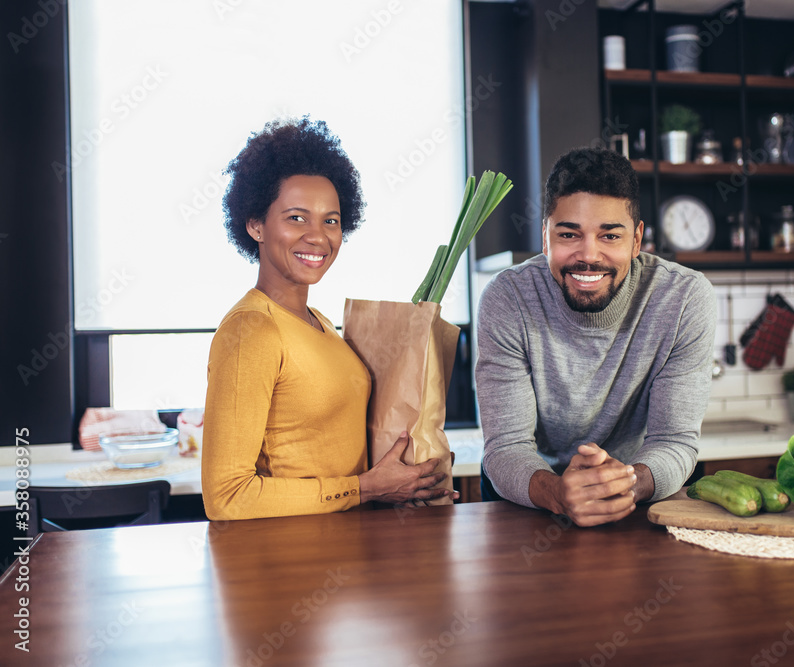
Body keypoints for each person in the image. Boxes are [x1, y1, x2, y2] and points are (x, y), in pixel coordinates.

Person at [202, 117, 455, 521]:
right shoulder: (250, 330)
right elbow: (226, 498)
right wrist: (367, 487)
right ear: (255, 225)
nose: (318, 236)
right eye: (296, 218)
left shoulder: (316, 321)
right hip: (289, 564)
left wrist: (396, 481)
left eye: (331, 220)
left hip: (343, 553)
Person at [475, 147, 716, 527]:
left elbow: (675, 441)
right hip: (526, 503)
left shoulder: (684, 298)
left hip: (634, 495)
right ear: (545, 238)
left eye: (610, 236)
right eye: (569, 233)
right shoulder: (507, 298)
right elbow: (507, 448)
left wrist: (623, 485)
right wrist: (558, 494)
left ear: (636, 240)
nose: (588, 255)